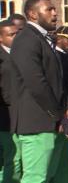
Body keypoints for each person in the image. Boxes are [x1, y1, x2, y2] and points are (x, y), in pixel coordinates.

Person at [10, 0, 68, 183]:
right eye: (49, 9)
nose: (55, 13)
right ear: (32, 14)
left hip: (50, 122)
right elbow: (36, 83)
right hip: (36, 122)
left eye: (55, 9)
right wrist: (57, 114)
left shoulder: (44, 39)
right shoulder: (27, 39)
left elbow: (57, 80)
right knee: (35, 178)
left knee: (47, 176)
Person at [46, 26, 68, 183]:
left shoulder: (67, 55)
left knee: (66, 156)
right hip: (61, 110)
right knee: (54, 157)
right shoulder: (54, 55)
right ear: (59, 38)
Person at [0, 20, 21, 183]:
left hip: (23, 117)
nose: (16, 37)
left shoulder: (22, 55)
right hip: (6, 118)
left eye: (17, 33)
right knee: (13, 160)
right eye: (11, 34)